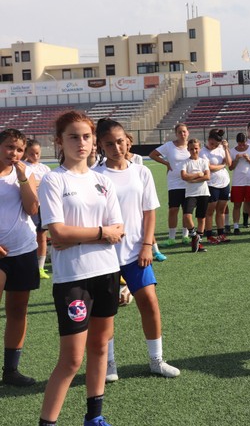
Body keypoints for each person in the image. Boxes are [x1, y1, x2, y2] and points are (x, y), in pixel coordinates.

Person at [38, 111, 125, 426]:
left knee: (100, 347)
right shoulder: (53, 179)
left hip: (107, 273)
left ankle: (94, 418)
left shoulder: (102, 180)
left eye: (86, 136)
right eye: (73, 137)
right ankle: (47, 423)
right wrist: (101, 234)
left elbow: (119, 229)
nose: (82, 143)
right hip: (73, 279)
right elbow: (58, 233)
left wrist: (85, 236)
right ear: (58, 141)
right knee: (72, 359)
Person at [93, 118, 180, 382]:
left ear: (127, 140)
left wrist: (146, 245)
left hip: (135, 253)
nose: (116, 147)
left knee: (150, 303)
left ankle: (156, 360)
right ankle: (109, 364)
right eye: (109, 143)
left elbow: (149, 212)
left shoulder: (141, 172)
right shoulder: (95, 176)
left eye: (119, 141)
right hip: (103, 256)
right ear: (100, 146)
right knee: (106, 312)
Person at [0, 129, 40, 387]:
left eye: (18, 149)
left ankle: (11, 371)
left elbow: (32, 209)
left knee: (17, 310)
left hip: (24, 249)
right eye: (8, 147)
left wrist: (24, 178)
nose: (13, 153)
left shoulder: (25, 173)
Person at [125, 133, 166, 262]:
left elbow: (139, 177)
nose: (125, 147)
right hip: (126, 197)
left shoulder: (137, 158)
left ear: (130, 144)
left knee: (146, 224)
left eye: (127, 144)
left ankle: (155, 250)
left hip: (138, 196)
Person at [149, 123, 190, 246]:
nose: (182, 134)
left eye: (184, 131)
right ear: (176, 134)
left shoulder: (192, 146)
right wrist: (166, 163)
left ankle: (185, 236)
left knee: (187, 211)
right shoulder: (169, 146)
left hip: (189, 183)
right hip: (174, 183)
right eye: (179, 132)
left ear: (188, 132)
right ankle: (171, 237)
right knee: (173, 209)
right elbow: (153, 154)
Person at [23, 138, 52, 279]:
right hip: (27, 207)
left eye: (38, 153)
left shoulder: (44, 168)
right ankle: (28, 265)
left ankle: (40, 268)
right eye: (32, 153)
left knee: (42, 236)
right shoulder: (23, 167)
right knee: (28, 235)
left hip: (42, 207)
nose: (35, 156)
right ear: (26, 153)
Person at [200, 129, 232, 243]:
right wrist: (222, 165)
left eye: (216, 144)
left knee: (221, 210)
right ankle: (209, 235)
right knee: (210, 211)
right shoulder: (203, 152)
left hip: (224, 183)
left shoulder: (220, 149)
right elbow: (209, 168)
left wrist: (226, 148)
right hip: (211, 184)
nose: (214, 146)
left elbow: (229, 163)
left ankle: (221, 234)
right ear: (208, 140)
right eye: (212, 143)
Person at [181, 139, 211, 253]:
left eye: (196, 148)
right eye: (192, 148)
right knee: (187, 216)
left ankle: (199, 243)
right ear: (188, 149)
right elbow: (184, 176)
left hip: (203, 192)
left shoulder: (203, 161)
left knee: (201, 218)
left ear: (199, 148)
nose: (194, 150)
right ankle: (194, 236)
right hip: (191, 193)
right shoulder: (185, 162)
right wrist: (198, 174)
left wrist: (192, 178)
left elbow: (207, 177)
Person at [229, 133, 250, 234]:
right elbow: (231, 167)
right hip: (237, 182)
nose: (242, 146)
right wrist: (236, 160)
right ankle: (236, 227)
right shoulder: (232, 151)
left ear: (246, 141)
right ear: (237, 142)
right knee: (237, 204)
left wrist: (249, 159)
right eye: (240, 144)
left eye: (243, 144)